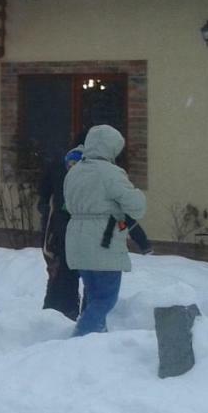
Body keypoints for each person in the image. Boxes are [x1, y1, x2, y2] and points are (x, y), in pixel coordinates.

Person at [63, 125, 146, 337]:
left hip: (76, 239)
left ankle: (97, 340)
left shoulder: (75, 171)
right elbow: (136, 205)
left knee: (93, 293)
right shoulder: (110, 173)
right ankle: (81, 337)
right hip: (103, 239)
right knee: (105, 299)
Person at [38, 145, 84, 320]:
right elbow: (46, 204)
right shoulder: (61, 179)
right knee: (62, 276)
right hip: (60, 237)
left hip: (69, 236)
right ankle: (60, 313)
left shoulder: (79, 182)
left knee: (67, 276)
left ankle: (64, 312)